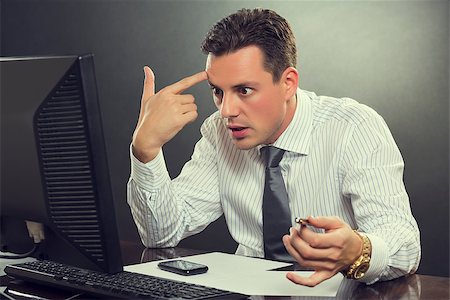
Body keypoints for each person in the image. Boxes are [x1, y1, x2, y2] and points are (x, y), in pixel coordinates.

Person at [127, 8, 420, 286]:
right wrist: (145, 151)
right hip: (248, 291)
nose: (226, 110)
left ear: (288, 82)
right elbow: (161, 234)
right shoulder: (219, 132)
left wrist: (358, 250)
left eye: (244, 90)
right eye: (218, 91)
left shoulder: (354, 128)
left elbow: (406, 247)